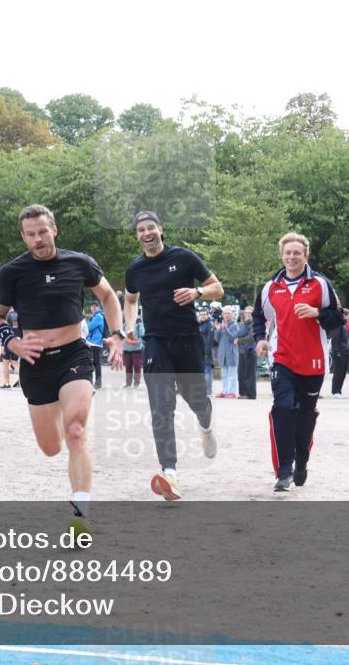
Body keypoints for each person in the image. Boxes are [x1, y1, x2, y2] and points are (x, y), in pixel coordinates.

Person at [0, 204, 124, 529]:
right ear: (23, 236)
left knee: (76, 431)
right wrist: (13, 342)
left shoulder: (79, 262)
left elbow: (108, 296)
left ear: (54, 230)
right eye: (30, 235)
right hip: (35, 364)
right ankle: (60, 423)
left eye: (42, 232)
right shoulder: (12, 272)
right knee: (51, 447)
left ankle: (81, 514)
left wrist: (116, 334)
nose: (37, 239)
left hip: (74, 356)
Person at [122, 210, 223, 501]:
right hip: (156, 343)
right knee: (161, 408)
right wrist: (129, 326)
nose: (146, 233)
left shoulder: (184, 257)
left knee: (197, 401)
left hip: (188, 341)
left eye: (150, 227)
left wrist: (197, 292)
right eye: (141, 230)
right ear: (138, 235)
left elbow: (218, 288)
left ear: (161, 229)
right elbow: (130, 299)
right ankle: (170, 474)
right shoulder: (135, 269)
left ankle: (205, 426)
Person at [253, 232, 343, 491]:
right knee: (282, 408)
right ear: (282, 255)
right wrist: (261, 339)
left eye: (297, 253)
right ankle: (283, 471)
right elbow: (260, 316)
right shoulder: (271, 287)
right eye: (288, 253)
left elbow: (339, 318)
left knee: (304, 418)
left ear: (306, 256)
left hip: (313, 361)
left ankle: (301, 461)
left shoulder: (320, 284)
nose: (292, 257)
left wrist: (318, 313)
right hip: (281, 358)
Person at [235, 306, 257, 399]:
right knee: (241, 373)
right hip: (242, 351)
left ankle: (250, 394)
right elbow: (238, 334)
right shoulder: (243, 324)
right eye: (246, 312)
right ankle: (243, 393)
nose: (247, 314)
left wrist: (239, 340)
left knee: (249, 374)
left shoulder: (255, 323)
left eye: (249, 312)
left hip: (250, 351)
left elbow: (251, 337)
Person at [330, 307, 349, 397]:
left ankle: (339, 390)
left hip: (344, 350)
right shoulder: (338, 325)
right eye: (347, 316)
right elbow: (335, 340)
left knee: (343, 372)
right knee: (338, 372)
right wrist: (337, 351)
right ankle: (335, 391)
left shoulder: (342, 325)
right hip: (340, 352)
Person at [85, 302, 106, 389]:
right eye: (92, 306)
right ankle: (95, 382)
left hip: (96, 343)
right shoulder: (95, 316)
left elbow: (88, 328)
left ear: (98, 307)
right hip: (93, 343)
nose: (93, 308)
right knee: (94, 363)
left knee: (96, 364)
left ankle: (98, 383)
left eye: (95, 306)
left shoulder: (98, 316)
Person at [0, 310, 22, 388]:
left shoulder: (9, 315)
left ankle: (7, 383)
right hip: (19, 340)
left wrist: (2, 344)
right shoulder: (22, 314)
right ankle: (21, 381)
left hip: (9, 340)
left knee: (6, 362)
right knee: (14, 361)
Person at [122, 314, 145, 388]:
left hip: (136, 349)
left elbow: (142, 335)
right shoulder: (124, 324)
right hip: (126, 349)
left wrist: (136, 342)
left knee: (137, 367)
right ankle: (128, 383)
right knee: (128, 367)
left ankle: (136, 383)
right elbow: (122, 335)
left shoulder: (139, 323)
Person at [199, 309, 217, 396]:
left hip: (207, 352)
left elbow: (210, 340)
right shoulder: (199, 324)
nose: (202, 316)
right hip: (199, 352)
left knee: (208, 372)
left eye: (204, 314)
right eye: (201, 314)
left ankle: (208, 390)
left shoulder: (210, 325)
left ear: (207, 315)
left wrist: (206, 352)